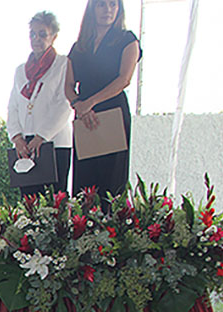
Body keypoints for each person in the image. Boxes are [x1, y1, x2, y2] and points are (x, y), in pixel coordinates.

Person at [65, 0, 141, 205]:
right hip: (83, 116)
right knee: (84, 184)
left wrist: (89, 102)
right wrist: (79, 105)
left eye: (112, 5)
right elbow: (68, 86)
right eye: (101, 5)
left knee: (111, 182)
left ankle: (111, 234)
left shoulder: (127, 39)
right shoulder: (79, 46)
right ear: (92, 9)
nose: (107, 10)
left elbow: (124, 79)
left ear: (119, 9)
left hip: (112, 114)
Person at [7, 11, 73, 198]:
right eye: (33, 34)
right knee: (29, 204)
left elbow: (64, 103)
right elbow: (13, 106)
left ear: (54, 37)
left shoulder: (63, 64)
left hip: (54, 142)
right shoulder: (21, 70)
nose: (36, 39)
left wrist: (41, 136)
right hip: (25, 145)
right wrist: (17, 137)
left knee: (53, 203)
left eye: (42, 34)